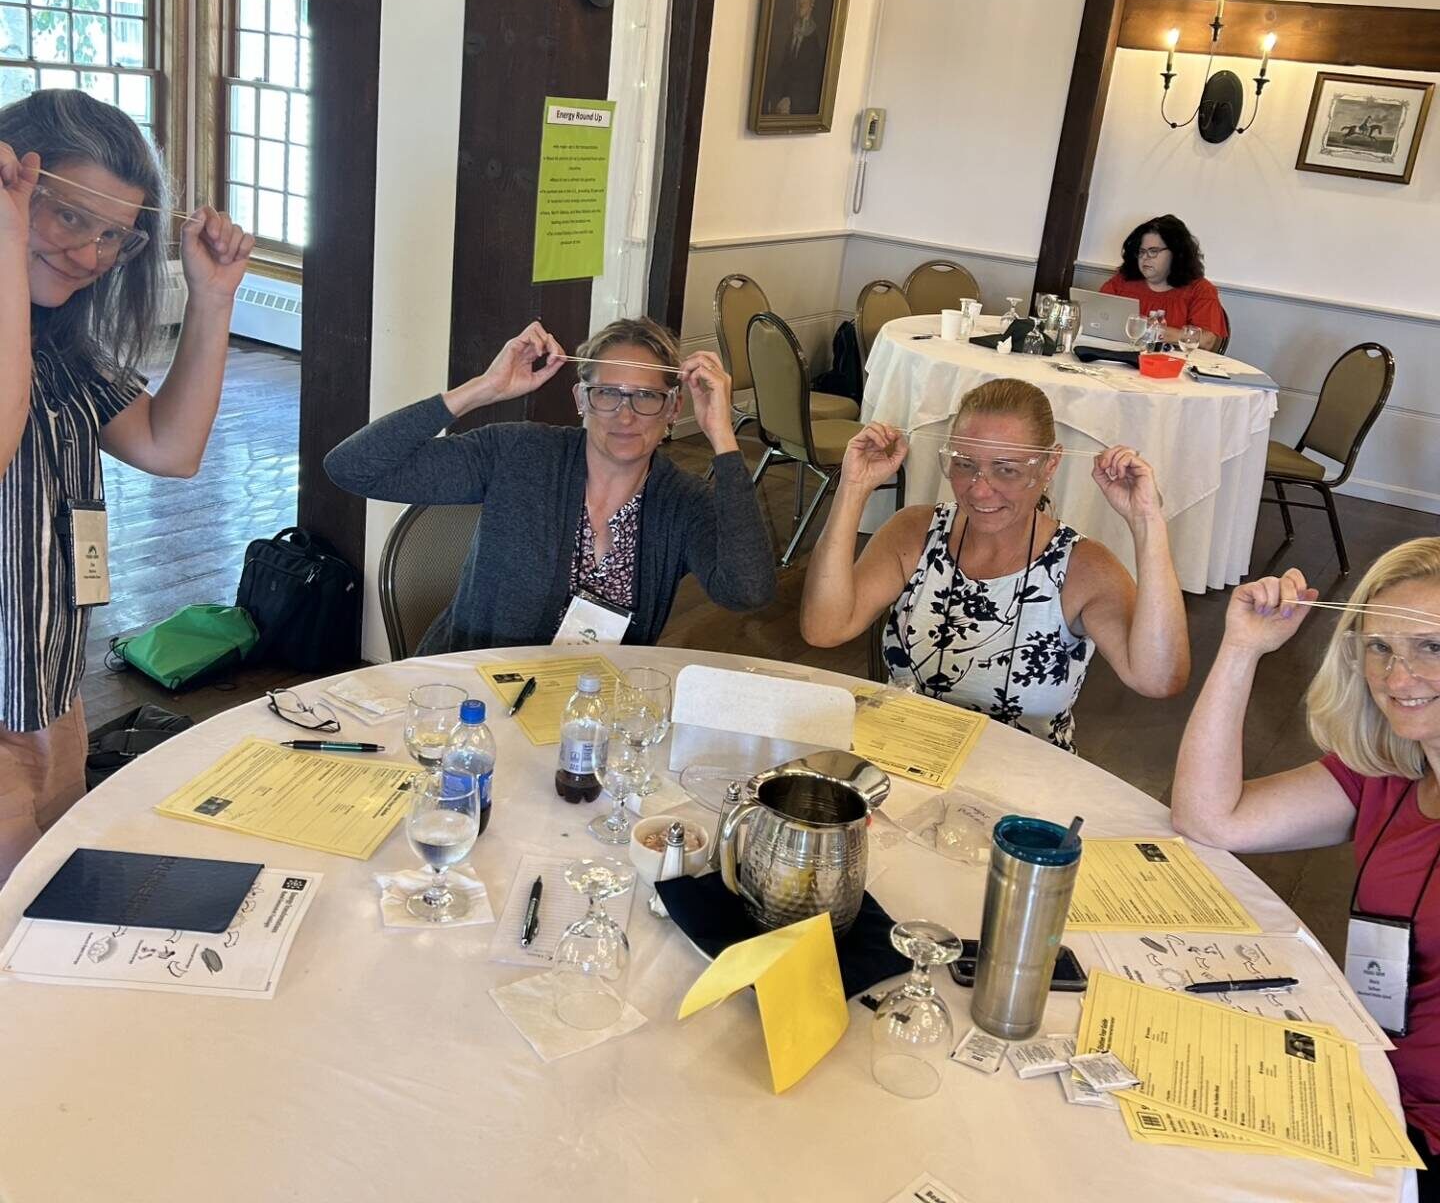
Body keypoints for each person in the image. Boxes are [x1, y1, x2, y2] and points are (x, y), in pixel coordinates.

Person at [0, 90, 254, 883]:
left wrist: (213, 297)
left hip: (49, 696)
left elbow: (168, 445)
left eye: (113, 236)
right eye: (69, 218)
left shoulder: (62, 347)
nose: (89, 255)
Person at [1170, 540, 1440, 1186]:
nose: (1398, 678)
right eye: (1380, 647)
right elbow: (1210, 817)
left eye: (1432, 646)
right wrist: (1241, 649)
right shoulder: (1387, 772)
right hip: (1363, 1075)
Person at [325, 317, 776, 653]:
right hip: (471, 698)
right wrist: (481, 389)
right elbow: (354, 468)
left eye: (646, 396)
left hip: (595, 713)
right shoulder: (520, 454)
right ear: (581, 399)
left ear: (672, 408)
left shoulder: (683, 502)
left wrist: (722, 435)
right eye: (607, 393)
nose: (624, 415)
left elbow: (746, 590)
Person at [798, 378, 1189, 750]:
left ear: (1049, 465)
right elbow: (824, 628)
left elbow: (1158, 679)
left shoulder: (1082, 568)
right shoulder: (916, 533)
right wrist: (852, 488)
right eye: (965, 464)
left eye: (1007, 469)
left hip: (1019, 785)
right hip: (907, 756)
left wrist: (1147, 522)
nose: (980, 489)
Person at [1099, 214, 1228, 349]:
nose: (1145, 258)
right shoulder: (1122, 281)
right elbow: (1098, 318)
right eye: (1141, 252)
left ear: (1176, 253)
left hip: (1174, 365)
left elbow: (1206, 341)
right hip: (1120, 357)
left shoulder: (1200, 289)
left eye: (1153, 251)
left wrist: (1149, 330)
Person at [764, 0, 825, 116]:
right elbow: (784, 69)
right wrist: (774, 96)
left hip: (798, 107)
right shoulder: (793, 31)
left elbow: (812, 84)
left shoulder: (814, 38)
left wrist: (792, 102)